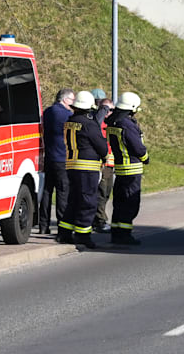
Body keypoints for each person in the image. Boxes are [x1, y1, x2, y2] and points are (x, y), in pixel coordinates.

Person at [58, 90, 108, 250]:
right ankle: (83, 234)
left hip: (72, 166)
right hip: (87, 168)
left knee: (73, 200)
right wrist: (105, 155)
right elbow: (100, 144)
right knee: (88, 202)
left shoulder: (69, 121)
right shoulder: (89, 124)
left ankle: (64, 232)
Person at [106, 91, 148, 246]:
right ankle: (125, 235)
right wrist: (146, 158)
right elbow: (138, 147)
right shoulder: (127, 125)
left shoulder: (113, 122)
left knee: (119, 202)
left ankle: (116, 233)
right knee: (130, 203)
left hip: (120, 168)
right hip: (132, 169)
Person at [39, 88, 75, 235]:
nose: (73, 104)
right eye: (72, 101)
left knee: (47, 191)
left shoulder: (47, 112)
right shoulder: (67, 115)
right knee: (62, 192)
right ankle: (62, 225)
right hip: (62, 159)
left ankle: (43, 225)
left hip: (49, 157)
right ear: (65, 100)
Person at [91, 90, 115, 234]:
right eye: (108, 109)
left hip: (110, 164)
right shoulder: (98, 122)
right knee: (101, 192)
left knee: (106, 193)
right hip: (102, 164)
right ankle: (100, 220)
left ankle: (98, 219)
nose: (111, 112)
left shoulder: (110, 123)